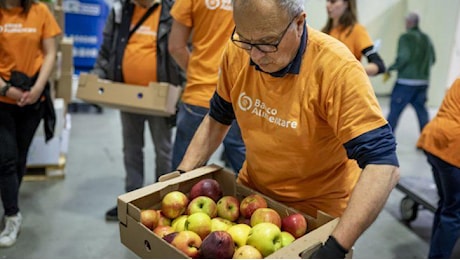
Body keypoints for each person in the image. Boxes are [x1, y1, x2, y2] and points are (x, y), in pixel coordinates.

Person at [176, 0, 400, 258]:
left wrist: (335, 248)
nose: (256, 55)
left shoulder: (337, 69)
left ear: (299, 22)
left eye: (267, 42)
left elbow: (384, 166)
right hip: (253, 199)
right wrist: (182, 177)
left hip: (316, 214)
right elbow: (218, 118)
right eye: (246, 40)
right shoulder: (239, 51)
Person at [92, 0, 184, 221]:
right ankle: (131, 201)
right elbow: (107, 49)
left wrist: (183, 89)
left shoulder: (171, 11)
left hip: (160, 96)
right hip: (128, 95)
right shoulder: (121, 11)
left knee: (163, 150)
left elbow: (182, 49)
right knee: (131, 149)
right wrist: (97, 76)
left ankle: (163, 202)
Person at [0, 0, 61, 247]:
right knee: (5, 158)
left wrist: (36, 89)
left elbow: (50, 53)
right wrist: (6, 89)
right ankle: (12, 215)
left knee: (20, 155)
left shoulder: (40, 11)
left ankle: (10, 200)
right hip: (2, 98)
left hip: (32, 100)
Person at [168, 0, 246, 174]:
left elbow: (175, 46)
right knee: (244, 167)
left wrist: (197, 72)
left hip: (199, 91)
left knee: (183, 173)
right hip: (239, 93)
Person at [417, 77, 460, 259]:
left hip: (433, 139)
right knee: (454, 211)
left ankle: (435, 254)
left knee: (446, 204)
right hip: (453, 146)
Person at [386, 12, 436, 134]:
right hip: (423, 82)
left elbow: (404, 57)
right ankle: (425, 139)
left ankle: (386, 140)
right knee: (421, 111)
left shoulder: (405, 37)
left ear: (409, 22)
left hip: (405, 82)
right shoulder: (426, 38)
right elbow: (433, 59)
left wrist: (391, 68)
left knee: (395, 111)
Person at [321, 0, 385, 76]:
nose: (327, 5)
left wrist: (351, 71)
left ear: (347, 3)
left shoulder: (357, 30)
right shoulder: (324, 32)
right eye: (327, 1)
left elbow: (379, 65)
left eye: (333, 1)